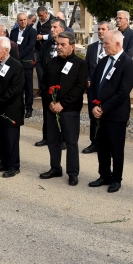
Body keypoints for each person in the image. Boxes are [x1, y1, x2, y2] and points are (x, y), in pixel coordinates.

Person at [87, 30, 133, 193]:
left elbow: (123, 92)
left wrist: (104, 108)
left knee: (116, 149)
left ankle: (116, 179)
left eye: (106, 43)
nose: (104, 46)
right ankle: (104, 175)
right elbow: (93, 85)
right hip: (98, 112)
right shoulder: (102, 61)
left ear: (117, 44)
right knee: (101, 146)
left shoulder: (128, 64)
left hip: (115, 114)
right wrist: (94, 105)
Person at [39, 31, 87, 186]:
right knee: (53, 140)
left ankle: (73, 173)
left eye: (63, 45)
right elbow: (44, 85)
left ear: (72, 47)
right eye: (58, 44)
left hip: (69, 110)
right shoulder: (52, 63)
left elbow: (79, 88)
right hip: (52, 109)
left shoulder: (80, 64)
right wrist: (50, 103)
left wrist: (62, 104)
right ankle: (55, 168)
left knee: (71, 142)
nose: (59, 47)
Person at [0, 36, 25, 178]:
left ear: (6, 50)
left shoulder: (17, 67)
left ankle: (13, 166)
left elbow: (14, 91)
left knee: (11, 140)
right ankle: (3, 163)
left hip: (10, 110)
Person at [35, 19, 66, 146]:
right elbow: (39, 62)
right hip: (47, 84)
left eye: (55, 27)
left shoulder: (67, 45)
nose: (51, 29)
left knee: (62, 112)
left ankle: (63, 139)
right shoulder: (46, 45)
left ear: (62, 30)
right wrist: (43, 80)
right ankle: (46, 137)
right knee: (47, 111)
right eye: (51, 27)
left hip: (61, 85)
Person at [83, 22, 110, 153]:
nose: (100, 31)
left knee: (105, 116)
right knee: (93, 116)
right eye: (98, 29)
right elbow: (86, 66)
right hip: (92, 88)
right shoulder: (92, 47)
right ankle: (94, 142)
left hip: (106, 89)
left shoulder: (111, 48)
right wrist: (87, 78)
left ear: (109, 31)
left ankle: (106, 144)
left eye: (103, 29)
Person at [10, 13, 37, 119]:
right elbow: (11, 45)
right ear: (17, 21)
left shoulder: (32, 31)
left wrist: (18, 56)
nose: (23, 22)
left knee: (28, 86)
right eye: (21, 20)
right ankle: (18, 107)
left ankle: (29, 108)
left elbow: (30, 46)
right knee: (17, 86)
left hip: (26, 62)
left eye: (25, 19)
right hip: (15, 63)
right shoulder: (14, 31)